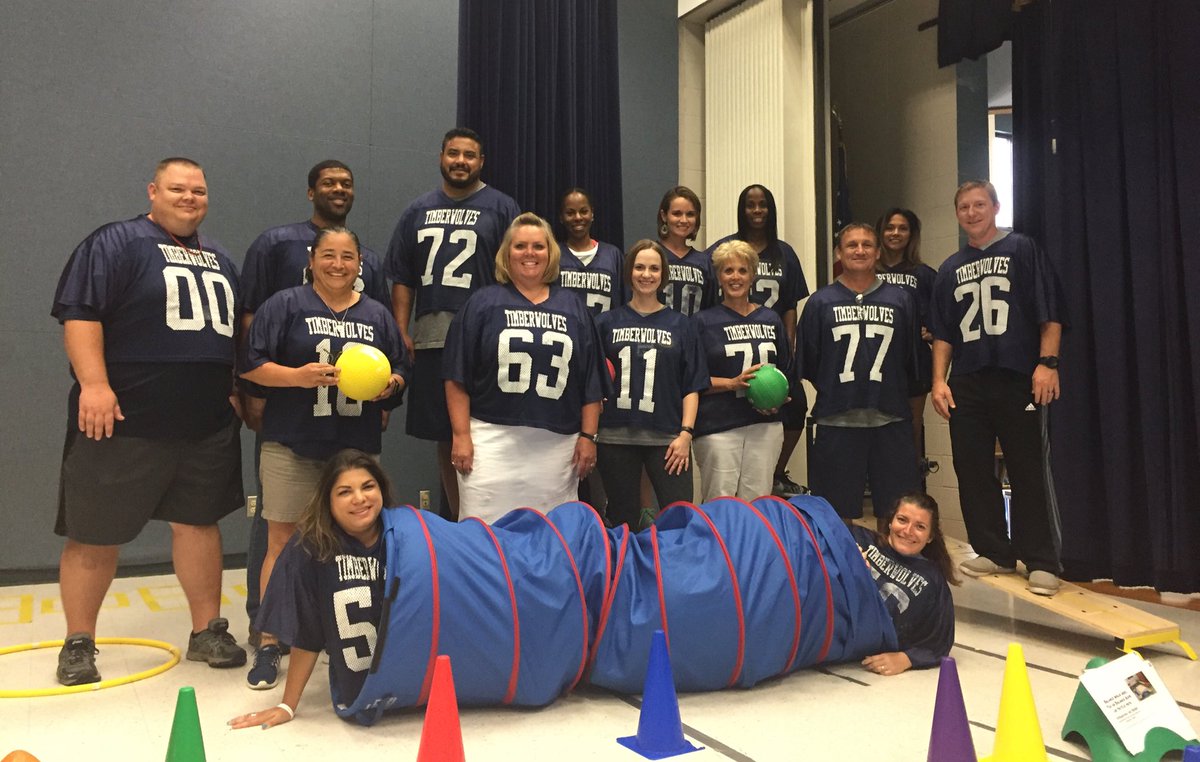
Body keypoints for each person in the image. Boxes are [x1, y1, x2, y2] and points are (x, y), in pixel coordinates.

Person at [50, 157, 245, 685]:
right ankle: (78, 642)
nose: (189, 198)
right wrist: (94, 383)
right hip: (123, 419)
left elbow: (227, 334)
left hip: (204, 425)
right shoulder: (115, 242)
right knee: (95, 534)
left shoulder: (222, 257)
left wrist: (230, 389)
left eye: (199, 191)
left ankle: (207, 631)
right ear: (153, 191)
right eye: (178, 189)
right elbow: (80, 313)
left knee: (199, 525)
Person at [240, 226, 408, 689]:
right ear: (313, 259)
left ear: (359, 263)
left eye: (348, 257)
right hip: (292, 440)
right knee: (282, 542)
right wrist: (297, 377)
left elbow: (399, 371)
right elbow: (252, 365)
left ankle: (352, 633)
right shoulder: (284, 304)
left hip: (352, 447)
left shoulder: (375, 313)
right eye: (329, 255)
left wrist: (389, 384)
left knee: (359, 546)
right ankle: (271, 641)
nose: (338, 264)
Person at [930, 180, 1065, 596]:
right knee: (971, 467)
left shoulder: (1023, 249)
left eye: (979, 205)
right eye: (964, 207)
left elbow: (1050, 312)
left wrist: (1047, 363)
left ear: (995, 206)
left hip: (1017, 375)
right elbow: (943, 333)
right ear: (957, 214)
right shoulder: (950, 268)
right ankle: (994, 549)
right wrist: (939, 380)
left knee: (1027, 467)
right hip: (968, 380)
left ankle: (1041, 559)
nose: (972, 213)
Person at [386, 128, 520, 520]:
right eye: (454, 154)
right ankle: (462, 521)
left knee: (492, 429)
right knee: (446, 436)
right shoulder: (417, 210)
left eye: (470, 155)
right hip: (433, 339)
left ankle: (497, 516)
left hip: (487, 340)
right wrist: (400, 330)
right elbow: (402, 276)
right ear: (441, 156)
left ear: (481, 162)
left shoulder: (501, 207)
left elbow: (518, 271)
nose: (461, 161)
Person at [443, 213, 609, 523]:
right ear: (506, 253)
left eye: (538, 246)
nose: (530, 253)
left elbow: (591, 383)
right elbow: (456, 377)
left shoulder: (573, 307)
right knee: (485, 533)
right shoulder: (481, 303)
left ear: (551, 253)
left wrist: (589, 437)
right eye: (520, 246)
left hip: (557, 445)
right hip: (490, 440)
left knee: (550, 536)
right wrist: (461, 434)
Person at [228, 450, 392, 730]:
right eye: (344, 491)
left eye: (368, 486)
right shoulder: (311, 549)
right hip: (360, 690)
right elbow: (308, 631)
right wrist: (288, 704)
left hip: (410, 683)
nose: (360, 498)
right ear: (328, 501)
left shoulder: (407, 535)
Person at [800, 223, 921, 521]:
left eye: (867, 244)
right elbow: (810, 362)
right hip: (837, 419)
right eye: (852, 245)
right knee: (834, 514)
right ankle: (840, 567)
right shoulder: (820, 302)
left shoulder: (901, 299)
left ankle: (891, 567)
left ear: (878, 252)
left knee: (896, 513)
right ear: (839, 252)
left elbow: (911, 359)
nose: (859, 250)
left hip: (890, 419)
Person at [595, 240, 709, 529]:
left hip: (668, 440)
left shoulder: (682, 325)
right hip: (615, 438)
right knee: (622, 522)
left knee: (679, 520)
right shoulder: (606, 323)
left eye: (654, 268)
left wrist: (686, 434)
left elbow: (691, 386)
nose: (647, 274)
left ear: (664, 275)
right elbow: (592, 382)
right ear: (629, 272)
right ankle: (625, 574)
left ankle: (673, 575)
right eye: (640, 267)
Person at [706, 184, 811, 498]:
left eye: (762, 205)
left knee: (796, 406)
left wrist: (788, 344)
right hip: (728, 354)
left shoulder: (784, 253)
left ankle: (778, 473)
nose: (756, 211)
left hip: (768, 341)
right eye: (750, 205)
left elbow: (790, 304)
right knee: (722, 494)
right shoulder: (723, 249)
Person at [692, 240, 792, 501]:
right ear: (718, 276)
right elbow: (692, 379)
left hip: (765, 425)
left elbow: (785, 370)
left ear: (753, 275)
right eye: (728, 271)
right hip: (718, 425)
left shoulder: (771, 319)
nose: (735, 277)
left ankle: (754, 544)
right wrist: (732, 383)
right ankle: (718, 544)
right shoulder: (702, 322)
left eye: (742, 270)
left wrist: (779, 398)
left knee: (758, 502)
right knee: (720, 503)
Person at [852, 493, 957, 676]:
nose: (908, 531)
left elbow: (940, 639)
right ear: (890, 521)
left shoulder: (932, 581)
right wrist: (845, 558)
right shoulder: (860, 539)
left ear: (930, 536)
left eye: (920, 527)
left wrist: (906, 658)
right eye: (902, 520)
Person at [874, 208, 937, 461]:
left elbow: (944, 318)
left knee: (911, 424)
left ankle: (913, 480)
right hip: (874, 361)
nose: (895, 233)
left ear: (912, 234)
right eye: (890, 227)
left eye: (902, 228)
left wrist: (931, 332)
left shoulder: (924, 274)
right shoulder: (868, 274)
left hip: (914, 363)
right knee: (878, 425)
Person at [558, 187, 626, 315]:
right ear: (561, 217)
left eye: (584, 211)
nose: (578, 217)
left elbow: (624, 302)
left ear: (592, 214)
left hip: (604, 334)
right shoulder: (554, 255)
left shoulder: (612, 255)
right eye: (570, 213)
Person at [656, 186, 715, 317]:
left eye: (690, 214)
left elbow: (711, 310)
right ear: (664, 215)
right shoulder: (650, 256)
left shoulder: (704, 262)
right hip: (657, 335)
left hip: (694, 335)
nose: (684, 220)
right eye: (677, 213)